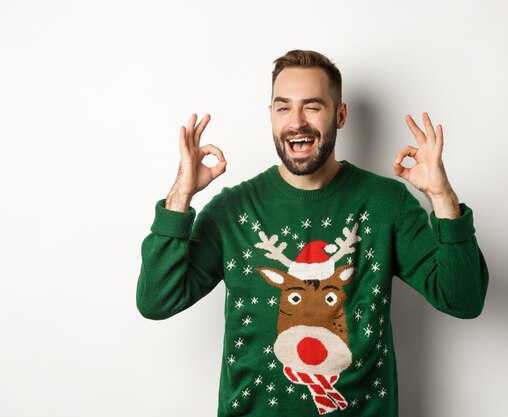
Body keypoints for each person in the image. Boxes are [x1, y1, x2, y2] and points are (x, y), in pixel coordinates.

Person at [137, 49, 488, 417]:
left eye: (313, 106)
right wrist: (181, 195)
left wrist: (441, 196)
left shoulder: (387, 204)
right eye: (283, 107)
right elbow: (157, 301)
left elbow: (463, 299)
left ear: (340, 115)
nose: (297, 122)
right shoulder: (232, 210)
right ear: (271, 115)